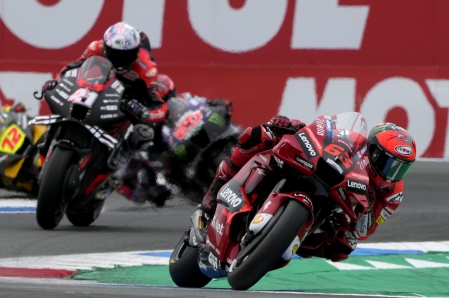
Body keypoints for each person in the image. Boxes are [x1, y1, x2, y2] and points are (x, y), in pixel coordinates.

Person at [191, 117, 416, 264]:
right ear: (373, 149)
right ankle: (212, 196)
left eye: (401, 168)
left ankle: (279, 245)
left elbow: (367, 227)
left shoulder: (392, 193)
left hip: (336, 205)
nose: (392, 172)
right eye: (388, 162)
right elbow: (321, 130)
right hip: (316, 171)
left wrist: (353, 229)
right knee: (258, 135)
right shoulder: (355, 140)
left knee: (341, 250)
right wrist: (293, 125)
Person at [42, 22, 168, 125]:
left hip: (125, 102)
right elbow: (71, 68)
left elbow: (161, 108)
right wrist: (57, 83)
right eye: (114, 54)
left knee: (143, 135)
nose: (118, 60)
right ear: (106, 48)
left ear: (135, 53)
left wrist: (143, 112)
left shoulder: (147, 68)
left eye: (125, 55)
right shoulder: (96, 47)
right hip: (97, 92)